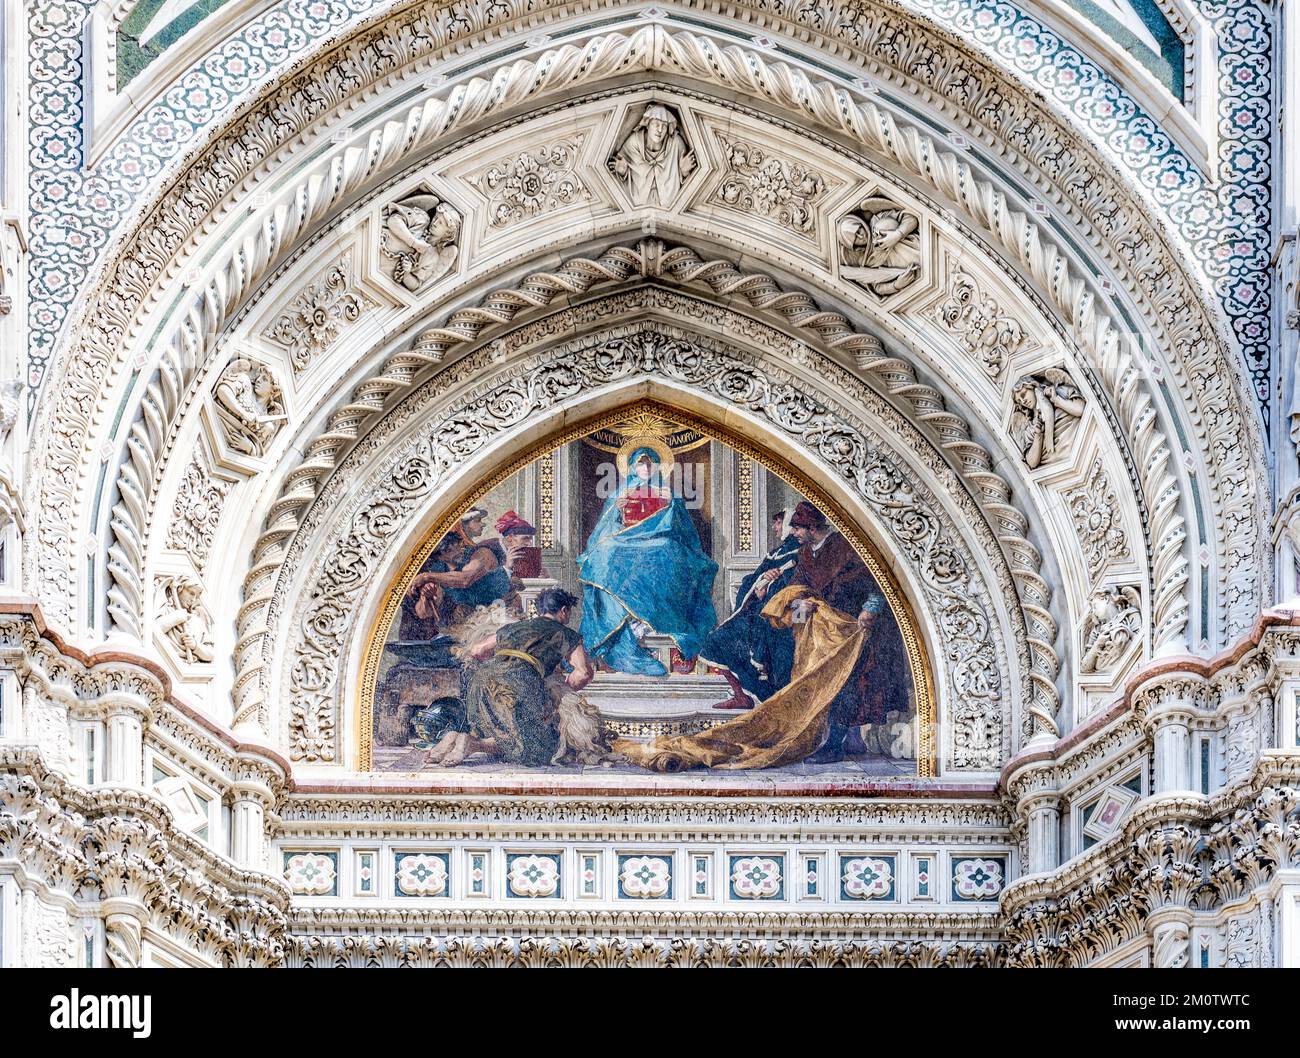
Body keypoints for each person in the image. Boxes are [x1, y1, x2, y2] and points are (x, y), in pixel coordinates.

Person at [752, 501, 908, 762]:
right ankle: (816, 738)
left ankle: (836, 744)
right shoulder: (805, 555)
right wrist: (792, 607)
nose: (793, 533)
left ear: (813, 528)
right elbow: (800, 591)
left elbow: (877, 581)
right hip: (822, 629)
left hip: (853, 626)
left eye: (798, 528)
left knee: (845, 684)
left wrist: (870, 609)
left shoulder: (844, 548)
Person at [577, 447, 718, 675]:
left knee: (668, 550)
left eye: (650, 464)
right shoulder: (621, 492)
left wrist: (672, 504)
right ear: (632, 467)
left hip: (659, 539)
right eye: (641, 464)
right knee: (607, 550)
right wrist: (618, 508)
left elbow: (682, 530)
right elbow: (605, 529)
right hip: (625, 539)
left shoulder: (667, 491)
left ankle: (663, 623)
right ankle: (620, 627)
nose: (645, 468)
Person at [422, 589, 593, 767]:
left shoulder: (516, 627)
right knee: (539, 747)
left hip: (483, 678)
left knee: (502, 729)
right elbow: (583, 673)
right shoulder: (564, 633)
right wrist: (562, 690)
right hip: (519, 680)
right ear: (564, 610)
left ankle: (453, 738)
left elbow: (477, 650)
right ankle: (472, 744)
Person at [700, 508, 800, 709]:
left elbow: (796, 588)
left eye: (779, 523)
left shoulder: (799, 554)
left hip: (778, 618)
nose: (775, 527)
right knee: (713, 641)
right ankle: (740, 696)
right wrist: (760, 585)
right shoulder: (775, 554)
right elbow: (751, 580)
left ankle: (770, 703)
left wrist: (771, 585)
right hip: (756, 612)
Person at [609, 103, 696, 206]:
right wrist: (623, 172)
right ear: (648, 124)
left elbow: (687, 181)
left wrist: (684, 172)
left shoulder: (676, 144)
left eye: (664, 126)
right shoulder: (634, 142)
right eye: (656, 124)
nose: (660, 130)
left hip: (669, 202)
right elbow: (627, 173)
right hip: (638, 201)